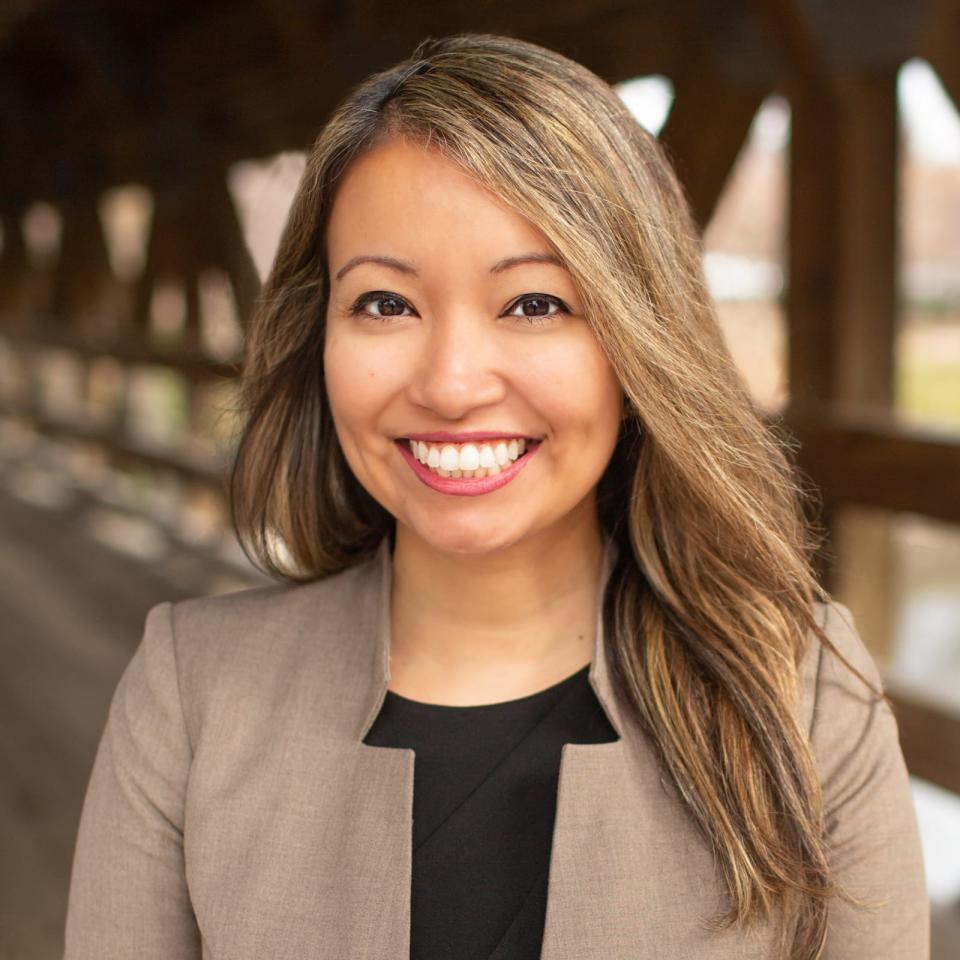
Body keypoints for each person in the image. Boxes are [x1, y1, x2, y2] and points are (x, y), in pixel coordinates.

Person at [63, 32, 929, 960]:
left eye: (535, 304)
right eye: (386, 304)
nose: (451, 383)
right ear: (318, 338)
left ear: (640, 344)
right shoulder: (192, 693)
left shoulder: (803, 698)